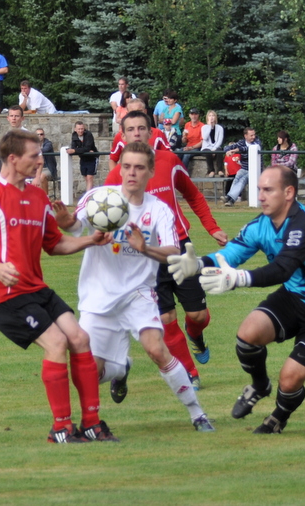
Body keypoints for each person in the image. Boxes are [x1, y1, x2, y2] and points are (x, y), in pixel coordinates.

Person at [167, 165, 305, 434]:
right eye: (259, 189)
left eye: (268, 190)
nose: (261, 196)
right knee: (248, 334)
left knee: (289, 381)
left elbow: (282, 269)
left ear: (288, 193)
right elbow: (231, 254)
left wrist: (238, 278)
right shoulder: (260, 225)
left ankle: (278, 417)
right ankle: (259, 385)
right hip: (295, 296)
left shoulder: (304, 226)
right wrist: (198, 264)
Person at [0, 129, 118, 444]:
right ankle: (61, 428)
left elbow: (54, 244)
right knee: (57, 343)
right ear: (13, 158)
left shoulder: (38, 197)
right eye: (34, 156)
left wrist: (91, 240)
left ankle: (91, 423)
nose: (40, 161)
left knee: (80, 338)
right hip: (5, 294)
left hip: (35, 288)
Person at [53, 142, 215, 432]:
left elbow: (173, 251)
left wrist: (145, 248)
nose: (131, 172)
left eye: (139, 167)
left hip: (138, 294)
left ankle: (198, 414)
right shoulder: (99, 198)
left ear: (150, 172)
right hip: (98, 296)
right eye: (126, 166)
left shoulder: (159, 210)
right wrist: (64, 220)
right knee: (89, 373)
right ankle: (121, 368)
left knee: (156, 349)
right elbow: (74, 226)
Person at [105, 111, 229, 391]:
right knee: (165, 318)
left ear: (151, 133)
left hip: (179, 248)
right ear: (122, 136)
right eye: (131, 129)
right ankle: (190, 373)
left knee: (198, 316)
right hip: (144, 256)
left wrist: (212, 228)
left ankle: (196, 336)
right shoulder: (116, 175)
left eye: (142, 128)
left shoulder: (169, 161)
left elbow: (193, 194)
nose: (137, 133)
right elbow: (106, 216)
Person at [108, 98, 170, 172]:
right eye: (133, 112)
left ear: (145, 111)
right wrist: (116, 176)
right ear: (127, 113)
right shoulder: (120, 136)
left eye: (140, 111)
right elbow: (113, 159)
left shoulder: (157, 133)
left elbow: (168, 157)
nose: (136, 115)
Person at [222, 128, 262, 207]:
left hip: (255, 169)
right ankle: (230, 199)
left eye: (254, 135)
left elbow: (249, 148)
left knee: (242, 180)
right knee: (237, 177)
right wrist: (227, 151)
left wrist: (236, 150)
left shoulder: (257, 142)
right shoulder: (241, 142)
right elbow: (227, 147)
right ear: (245, 136)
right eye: (251, 135)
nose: (253, 137)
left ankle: (230, 198)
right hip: (244, 168)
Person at [67, 121, 97, 193]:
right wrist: (77, 150)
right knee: (86, 178)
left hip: (92, 158)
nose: (81, 131)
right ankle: (91, 193)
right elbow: (73, 147)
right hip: (83, 158)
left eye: (82, 129)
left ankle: (87, 196)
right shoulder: (74, 136)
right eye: (79, 129)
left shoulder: (88, 134)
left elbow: (87, 147)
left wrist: (75, 150)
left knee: (90, 177)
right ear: (75, 129)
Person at [201, 110, 224, 177]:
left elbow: (220, 140)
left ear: (215, 117)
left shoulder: (220, 128)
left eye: (213, 115)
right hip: (206, 147)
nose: (211, 117)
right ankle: (211, 171)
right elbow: (205, 137)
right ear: (207, 117)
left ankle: (220, 170)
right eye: (210, 116)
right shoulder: (204, 127)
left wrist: (214, 149)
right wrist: (209, 126)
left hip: (216, 147)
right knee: (208, 152)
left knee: (219, 151)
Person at [37, 128, 57, 196]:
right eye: (37, 134)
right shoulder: (32, 144)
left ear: (44, 135)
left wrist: (33, 150)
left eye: (41, 134)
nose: (39, 136)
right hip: (37, 168)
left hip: (48, 168)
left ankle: (46, 197)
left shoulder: (48, 143)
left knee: (42, 177)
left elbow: (44, 150)